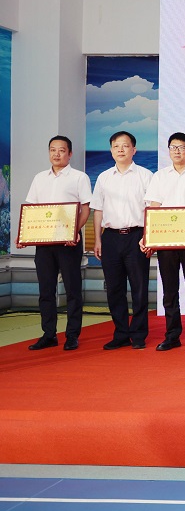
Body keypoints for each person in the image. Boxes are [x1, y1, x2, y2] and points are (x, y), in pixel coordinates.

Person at [21, 135, 91, 351]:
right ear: (49, 152)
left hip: (69, 242)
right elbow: (32, 210)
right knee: (46, 290)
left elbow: (85, 209)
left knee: (72, 289)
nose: (57, 154)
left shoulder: (79, 178)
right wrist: (24, 235)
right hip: (44, 242)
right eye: (53, 150)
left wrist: (75, 231)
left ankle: (72, 335)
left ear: (70, 153)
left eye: (61, 150)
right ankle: (49, 334)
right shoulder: (39, 178)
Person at [144, 132, 185, 352]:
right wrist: (149, 237)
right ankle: (172, 335)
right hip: (166, 242)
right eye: (173, 147)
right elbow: (154, 207)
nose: (177, 151)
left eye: (181, 147)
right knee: (169, 290)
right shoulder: (159, 177)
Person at [91, 131, 154, 350]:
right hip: (110, 237)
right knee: (114, 288)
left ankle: (139, 334)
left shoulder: (145, 176)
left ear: (134, 150)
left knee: (139, 287)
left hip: (137, 236)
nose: (120, 149)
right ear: (111, 150)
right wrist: (97, 239)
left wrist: (149, 238)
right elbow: (98, 210)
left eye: (125, 146)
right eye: (116, 146)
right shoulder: (103, 177)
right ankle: (120, 333)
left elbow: (152, 210)